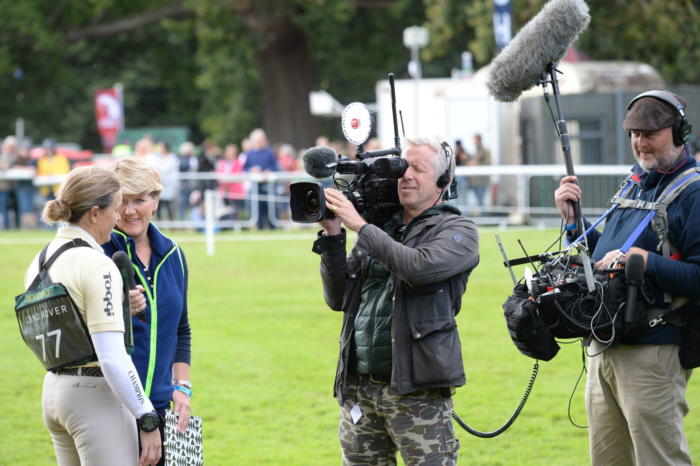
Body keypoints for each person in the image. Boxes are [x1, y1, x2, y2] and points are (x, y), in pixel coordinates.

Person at [554, 90, 700, 465]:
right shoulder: (634, 183)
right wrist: (574, 224)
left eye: (649, 133)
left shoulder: (695, 192)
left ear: (679, 132)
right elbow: (604, 257)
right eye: (634, 133)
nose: (639, 142)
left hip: (653, 350)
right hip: (604, 344)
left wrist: (644, 261)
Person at [314, 136, 479, 465]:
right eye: (404, 167)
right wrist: (334, 236)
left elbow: (417, 268)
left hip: (416, 390)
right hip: (359, 387)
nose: (407, 176)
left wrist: (361, 226)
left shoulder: (458, 230)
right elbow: (339, 298)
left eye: (418, 168)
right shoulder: (380, 229)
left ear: (443, 181)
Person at [24, 165, 161, 465]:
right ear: (95, 212)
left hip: (54, 391)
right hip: (95, 395)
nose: (119, 217)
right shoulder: (96, 264)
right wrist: (146, 415)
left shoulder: (40, 259)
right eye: (115, 208)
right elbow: (112, 357)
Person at [103, 157, 192, 465]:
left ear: (155, 200)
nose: (129, 211)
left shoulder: (175, 255)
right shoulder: (98, 251)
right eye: (121, 201)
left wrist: (182, 388)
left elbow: (182, 329)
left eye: (139, 200)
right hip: (113, 406)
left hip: (163, 406)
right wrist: (119, 310)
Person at [244, 128, 279, 230]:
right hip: (256, 187)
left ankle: (273, 227)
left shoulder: (269, 152)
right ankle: (259, 227)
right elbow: (245, 168)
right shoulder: (249, 154)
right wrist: (252, 170)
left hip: (269, 186)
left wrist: (268, 172)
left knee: (271, 208)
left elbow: (275, 167)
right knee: (257, 209)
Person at [467, 133, 491, 207]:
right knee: (478, 201)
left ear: (479, 140)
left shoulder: (485, 152)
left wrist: (475, 164)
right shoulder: (474, 152)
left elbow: (488, 163)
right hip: (474, 182)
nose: (474, 142)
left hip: (482, 181)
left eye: (475, 140)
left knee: (481, 201)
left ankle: (483, 217)